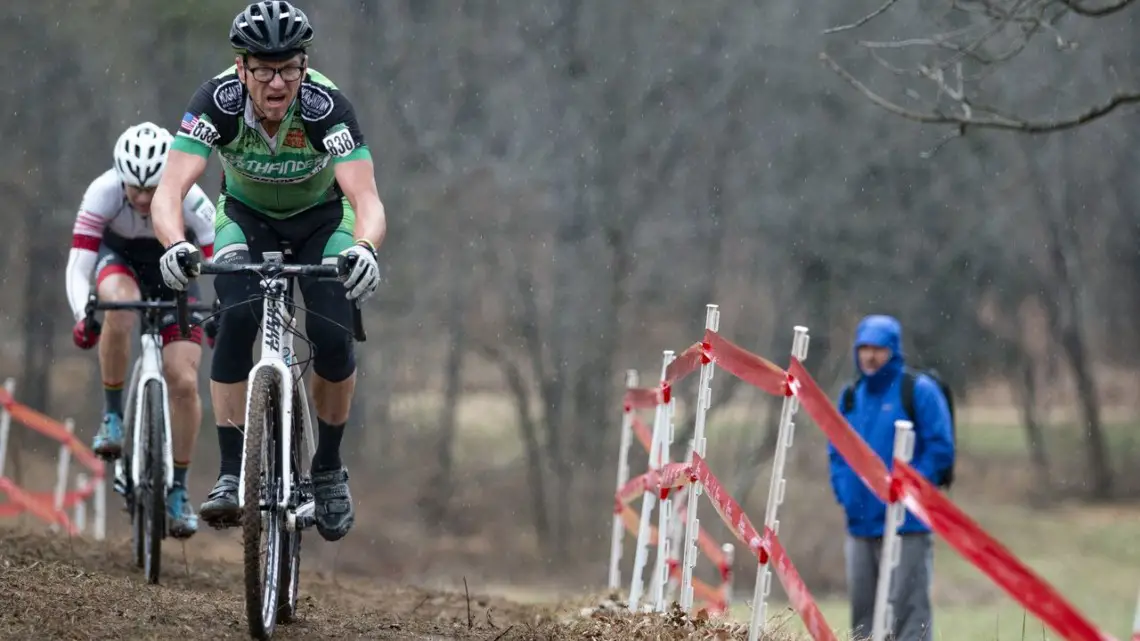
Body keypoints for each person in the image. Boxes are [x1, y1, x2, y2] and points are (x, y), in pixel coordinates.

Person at [150, 0, 386, 543]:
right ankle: (233, 472)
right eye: (263, 69)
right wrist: (174, 243)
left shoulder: (327, 105)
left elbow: (366, 197)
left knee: (330, 334)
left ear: (304, 67)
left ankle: (326, 468)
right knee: (235, 318)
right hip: (246, 219)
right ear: (242, 69)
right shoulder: (217, 101)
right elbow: (170, 190)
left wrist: (367, 247)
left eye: (288, 69)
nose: (276, 83)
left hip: (324, 220)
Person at [66, 121, 217, 539]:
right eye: (137, 190)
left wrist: (225, 311)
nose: (146, 199)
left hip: (176, 277)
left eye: (155, 188)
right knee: (117, 303)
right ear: (121, 178)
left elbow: (221, 260)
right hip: (123, 264)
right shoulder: (102, 192)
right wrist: (84, 315)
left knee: (184, 381)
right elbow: (79, 264)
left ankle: (179, 491)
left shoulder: (192, 199)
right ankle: (113, 416)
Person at [828, 314, 954, 641]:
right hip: (860, 525)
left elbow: (940, 449)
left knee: (909, 614)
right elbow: (837, 451)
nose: (870, 356)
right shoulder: (851, 396)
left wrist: (905, 491)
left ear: (893, 350)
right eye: (864, 348)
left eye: (878, 349)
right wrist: (846, 494)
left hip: (907, 525)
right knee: (863, 618)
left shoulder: (919, 391)